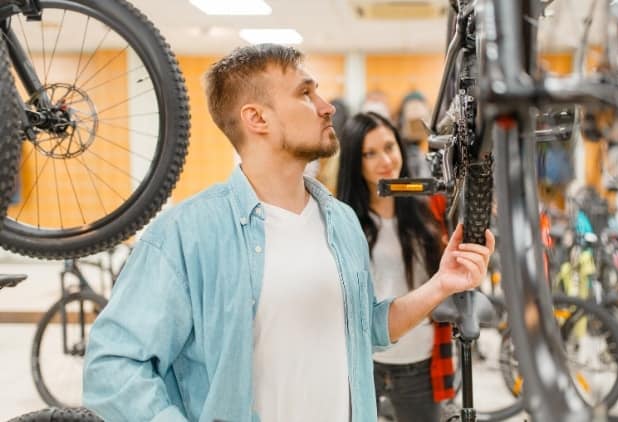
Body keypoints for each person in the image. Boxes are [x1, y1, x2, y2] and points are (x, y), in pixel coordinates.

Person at [82, 44, 494, 422]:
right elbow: (113, 366)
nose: (327, 106)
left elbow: (366, 328)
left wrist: (441, 284)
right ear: (256, 118)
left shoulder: (342, 222)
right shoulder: (187, 234)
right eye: (305, 94)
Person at [337, 112, 454, 421]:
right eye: (369, 153)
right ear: (355, 161)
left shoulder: (429, 209)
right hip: (365, 364)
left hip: (421, 362)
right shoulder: (343, 222)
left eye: (389, 146)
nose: (385, 159)